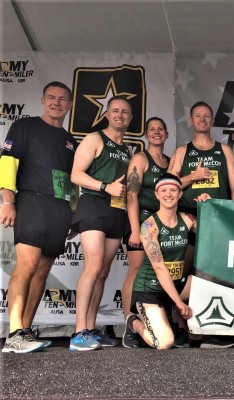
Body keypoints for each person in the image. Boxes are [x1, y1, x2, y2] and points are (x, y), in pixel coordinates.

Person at [1, 82, 78, 353]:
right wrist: (7, 201)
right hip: (31, 201)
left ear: (69, 103)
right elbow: (7, 161)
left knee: (43, 271)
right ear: (42, 100)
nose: (57, 103)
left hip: (59, 210)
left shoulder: (71, 141)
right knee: (28, 264)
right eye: (52, 98)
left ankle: (25, 331)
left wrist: (73, 215)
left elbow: (73, 182)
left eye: (63, 99)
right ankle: (13, 333)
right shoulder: (25, 126)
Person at [168, 101, 234, 349]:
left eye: (206, 116)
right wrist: (193, 177)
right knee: (181, 272)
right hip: (187, 218)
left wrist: (233, 217)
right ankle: (179, 327)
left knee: (214, 276)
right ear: (191, 120)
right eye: (197, 115)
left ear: (211, 121)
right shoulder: (181, 151)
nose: (202, 119)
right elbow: (168, 185)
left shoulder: (224, 151)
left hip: (217, 220)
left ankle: (213, 328)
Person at [69, 95, 132, 351]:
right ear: (107, 114)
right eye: (115, 111)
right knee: (93, 266)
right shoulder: (95, 138)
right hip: (94, 205)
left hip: (117, 212)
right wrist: (106, 187)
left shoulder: (127, 149)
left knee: (103, 272)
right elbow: (76, 174)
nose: (119, 115)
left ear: (130, 118)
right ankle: (78, 332)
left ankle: (91, 328)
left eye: (125, 112)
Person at [127, 173, 196, 350]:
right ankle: (133, 323)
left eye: (173, 190)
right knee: (165, 343)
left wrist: (207, 204)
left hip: (174, 286)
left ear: (180, 193)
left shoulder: (188, 220)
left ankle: (205, 334)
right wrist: (180, 304)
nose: (168, 194)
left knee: (211, 286)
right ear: (157, 195)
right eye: (163, 190)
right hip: (149, 290)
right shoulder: (149, 226)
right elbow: (159, 268)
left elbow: (214, 230)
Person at [121, 117, 171, 348]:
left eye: (161, 129)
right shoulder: (141, 158)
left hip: (161, 225)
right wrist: (134, 229)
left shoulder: (169, 162)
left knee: (159, 272)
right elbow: (131, 195)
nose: (156, 132)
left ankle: (152, 322)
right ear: (146, 134)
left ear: (167, 134)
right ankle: (130, 323)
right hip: (140, 222)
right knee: (136, 271)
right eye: (152, 129)